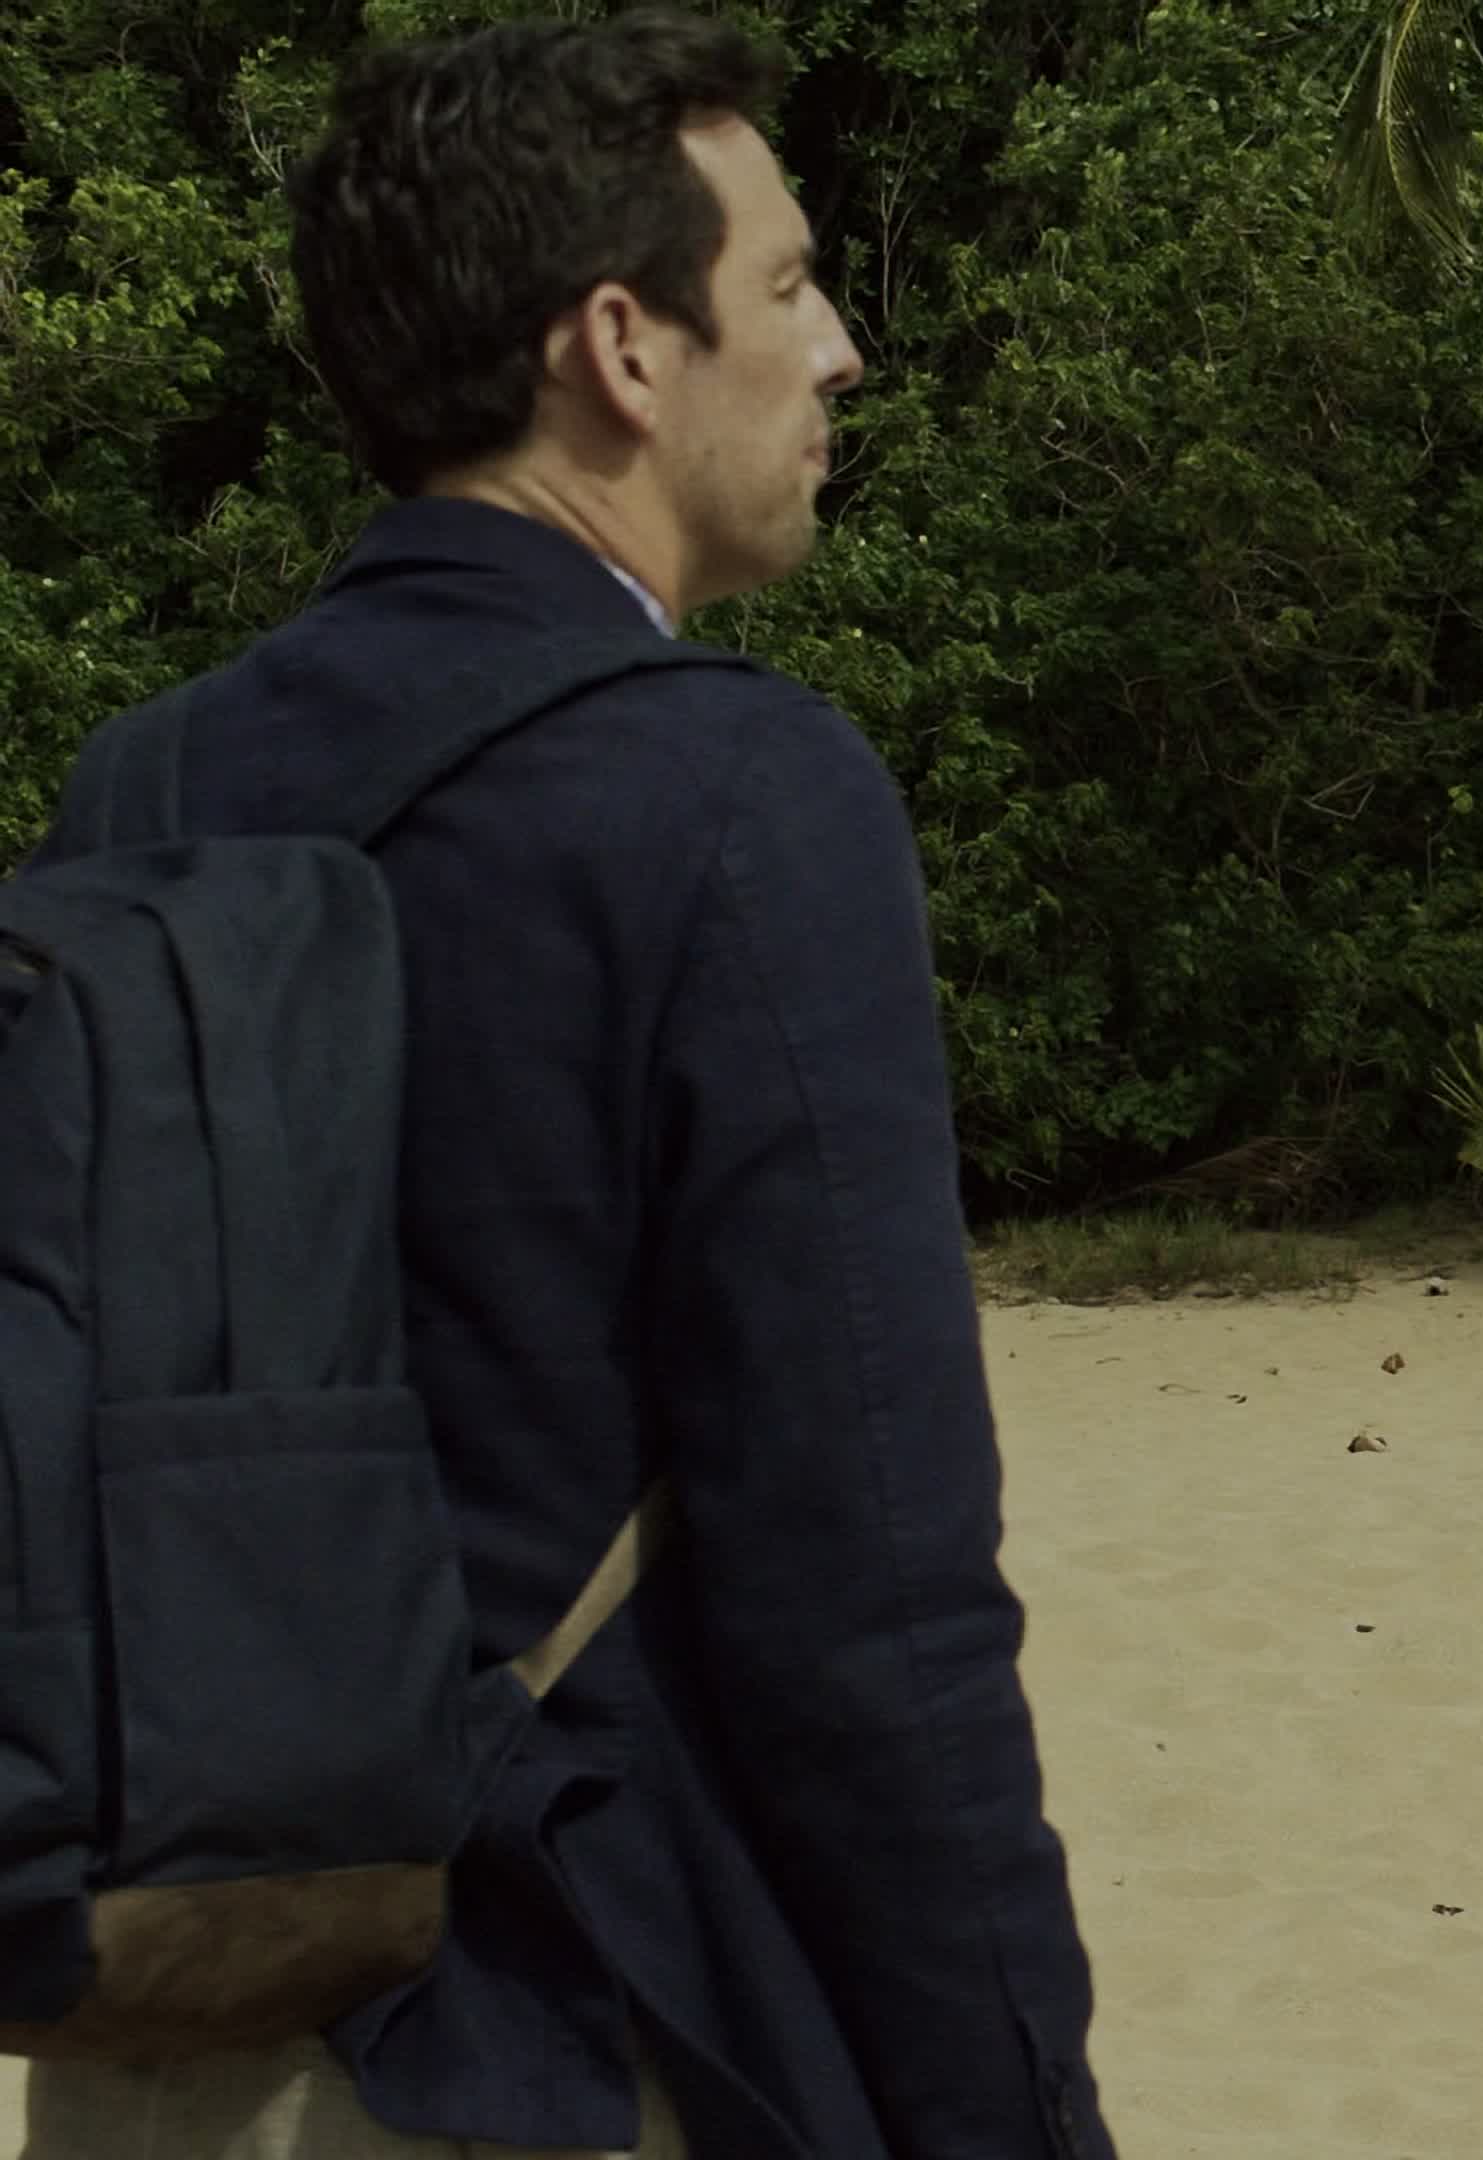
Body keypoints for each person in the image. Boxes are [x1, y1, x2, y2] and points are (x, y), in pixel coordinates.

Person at [19, 13, 1116, 2156]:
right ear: (622, 345)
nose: (841, 350)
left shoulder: (139, 788)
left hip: (155, 2041)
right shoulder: (737, 795)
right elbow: (873, 1611)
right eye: (787, 282)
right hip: (554, 2034)